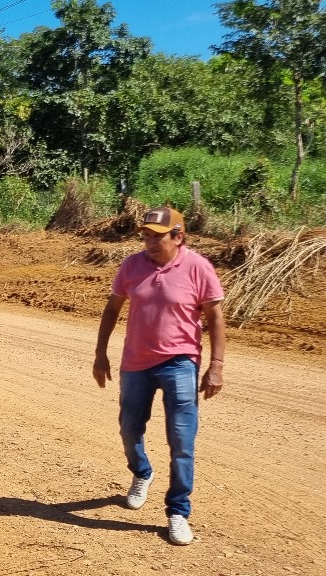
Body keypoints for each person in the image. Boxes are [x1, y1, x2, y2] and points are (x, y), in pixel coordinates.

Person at [93, 206, 226, 546]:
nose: (150, 243)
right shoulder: (132, 266)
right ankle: (142, 472)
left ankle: (178, 511)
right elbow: (112, 309)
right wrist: (100, 354)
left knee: (182, 440)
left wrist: (216, 365)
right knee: (129, 429)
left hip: (180, 362)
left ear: (178, 237)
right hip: (136, 362)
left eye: (158, 237)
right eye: (146, 236)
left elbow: (215, 318)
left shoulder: (198, 268)